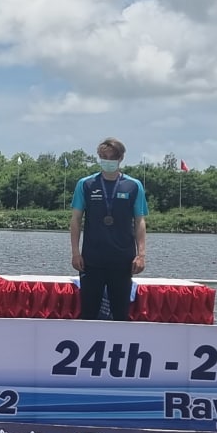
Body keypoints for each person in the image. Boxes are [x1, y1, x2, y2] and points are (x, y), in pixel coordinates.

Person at [69, 137, 147, 321]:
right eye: (104, 157)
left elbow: (140, 221)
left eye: (112, 158)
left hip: (123, 260)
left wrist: (141, 255)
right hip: (91, 260)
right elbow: (76, 220)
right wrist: (75, 253)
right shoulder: (85, 184)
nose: (108, 161)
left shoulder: (134, 185)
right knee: (88, 313)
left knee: (120, 314)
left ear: (121, 158)